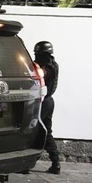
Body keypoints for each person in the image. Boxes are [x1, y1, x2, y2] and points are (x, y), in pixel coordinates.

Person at [34, 40, 61, 175]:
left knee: (36, 130)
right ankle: (55, 163)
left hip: (44, 102)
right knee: (44, 131)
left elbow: (41, 74)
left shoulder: (48, 66)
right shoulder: (52, 64)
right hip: (47, 102)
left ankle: (53, 162)